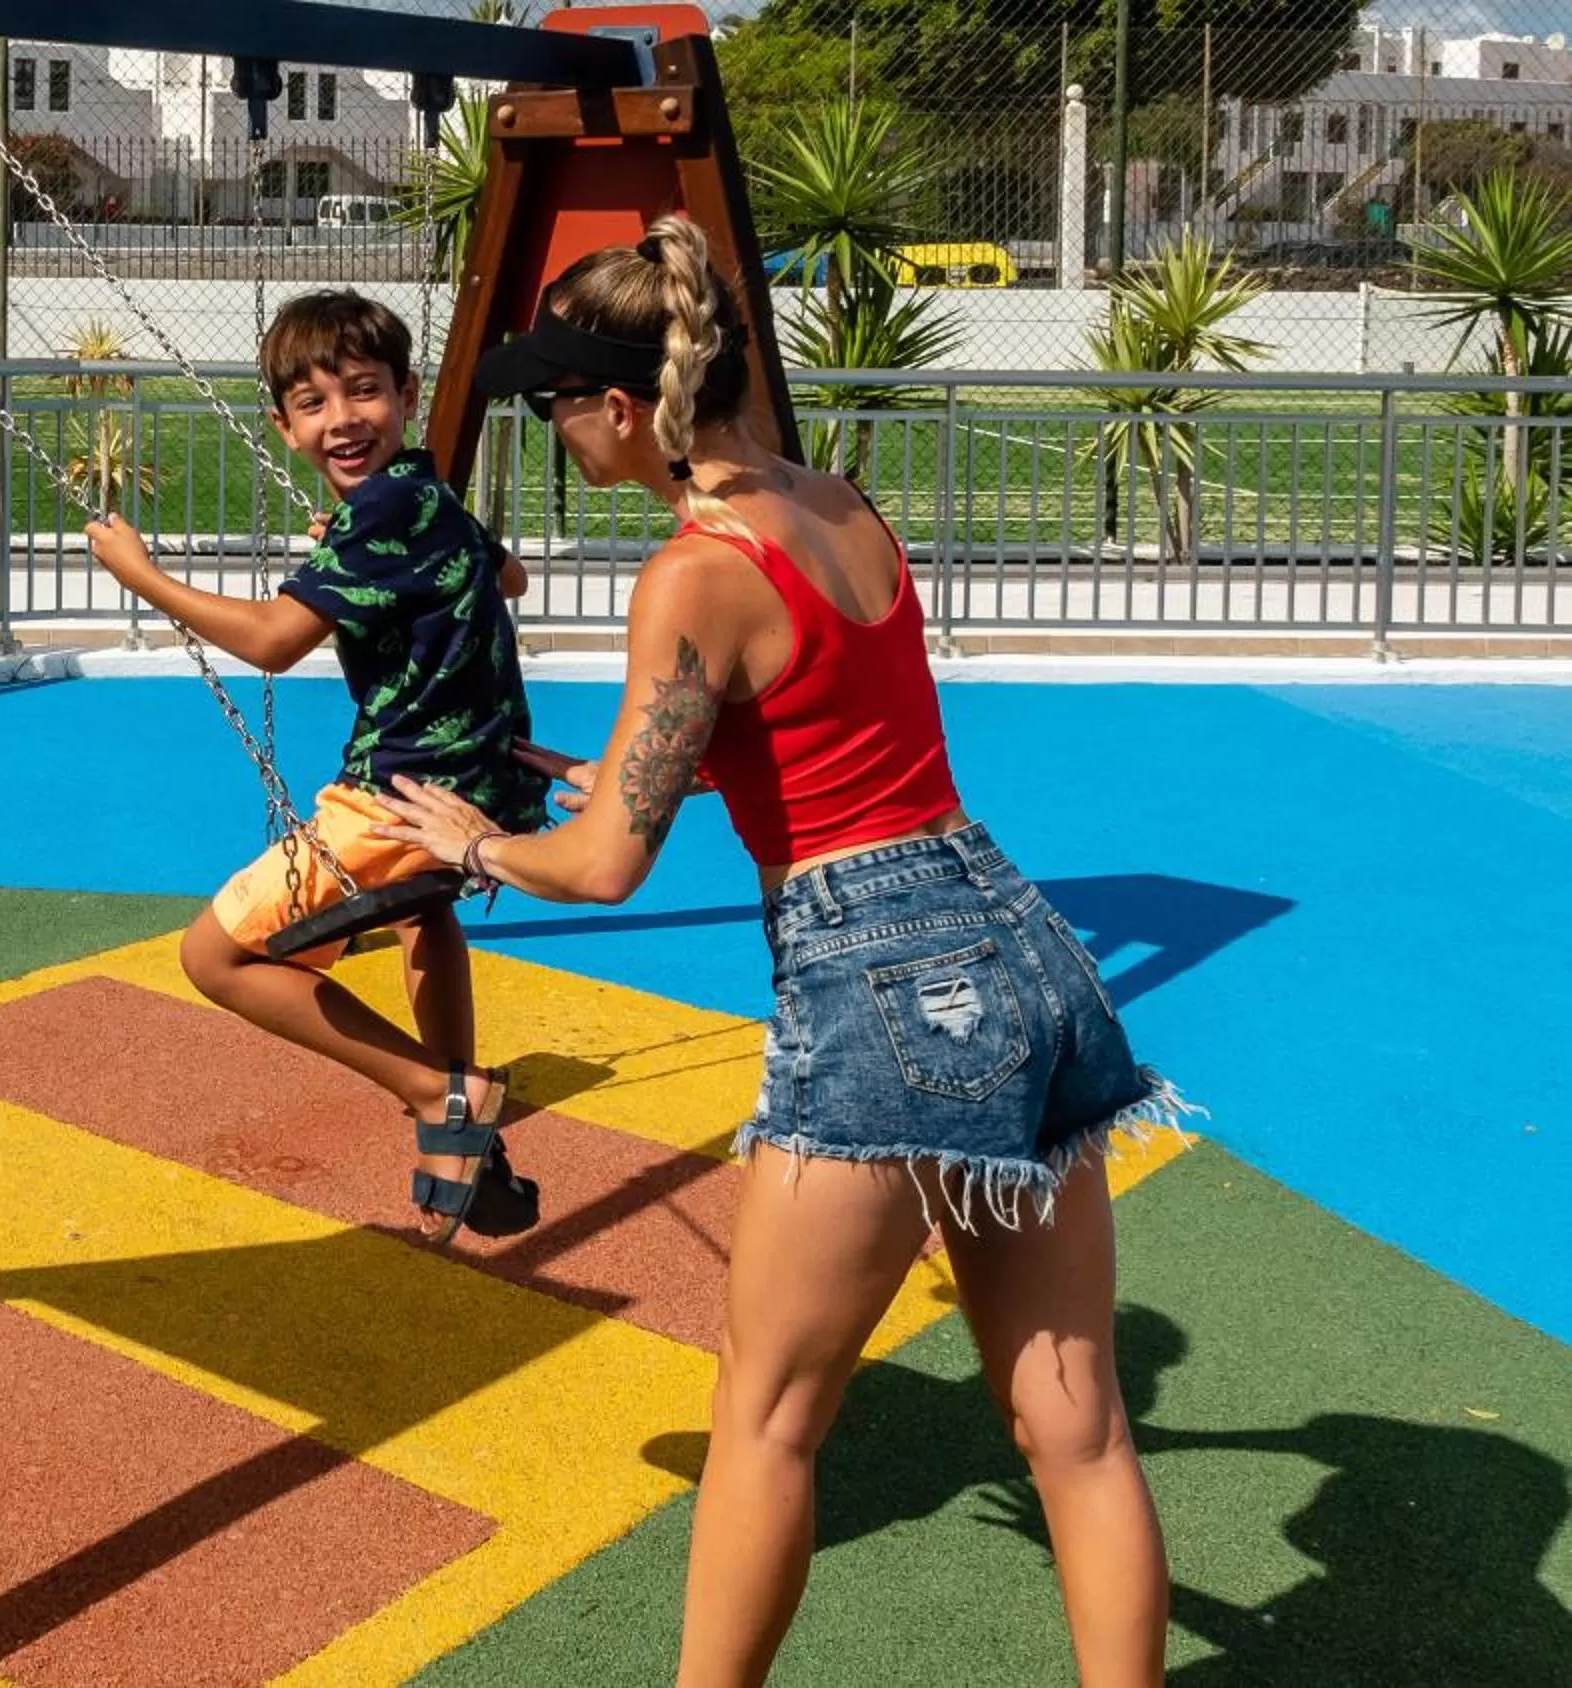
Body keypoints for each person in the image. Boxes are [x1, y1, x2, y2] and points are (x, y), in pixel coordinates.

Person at [369, 216, 1194, 1687]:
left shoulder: (693, 570)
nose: (554, 431)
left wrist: (474, 845)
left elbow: (609, 867)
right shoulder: (837, 503)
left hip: (878, 977)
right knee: (1077, 1427)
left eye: (558, 402)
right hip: (1018, 939)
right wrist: (649, 761)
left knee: (763, 1416)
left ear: (625, 406)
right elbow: (824, 724)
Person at [82, 289, 549, 1245]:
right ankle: (460, 1145)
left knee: (215, 956)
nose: (342, 419)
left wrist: (143, 576)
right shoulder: (423, 493)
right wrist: (363, 561)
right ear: (285, 426)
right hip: (482, 783)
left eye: (364, 392)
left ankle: (441, 1093)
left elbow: (272, 643)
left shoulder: (380, 510)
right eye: (314, 403)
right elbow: (510, 578)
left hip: (402, 792)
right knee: (428, 923)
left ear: (408, 394)